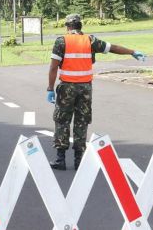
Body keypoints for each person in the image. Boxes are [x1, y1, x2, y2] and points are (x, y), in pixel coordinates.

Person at [47, 14, 146, 170]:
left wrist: (50, 89)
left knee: (62, 120)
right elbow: (113, 48)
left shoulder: (62, 41)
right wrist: (132, 52)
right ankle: (79, 160)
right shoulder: (90, 40)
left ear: (67, 26)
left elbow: (53, 67)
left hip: (67, 88)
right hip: (85, 88)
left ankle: (61, 159)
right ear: (80, 26)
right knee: (82, 121)